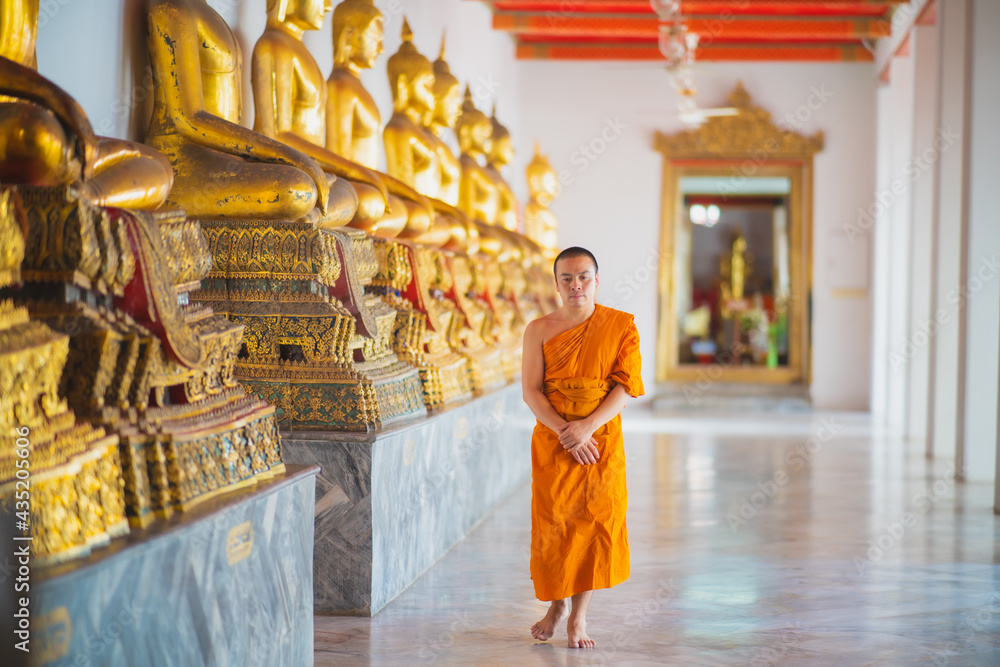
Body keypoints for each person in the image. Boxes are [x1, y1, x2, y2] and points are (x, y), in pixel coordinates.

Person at [521, 246, 644, 649]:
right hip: (554, 439)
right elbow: (531, 392)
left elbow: (626, 386)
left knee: (594, 523)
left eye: (584, 277)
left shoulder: (620, 326)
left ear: (597, 280)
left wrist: (587, 427)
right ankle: (556, 606)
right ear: (557, 283)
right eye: (567, 279)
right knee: (557, 525)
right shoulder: (538, 329)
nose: (576, 286)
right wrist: (564, 431)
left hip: (601, 438)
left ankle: (579, 617)